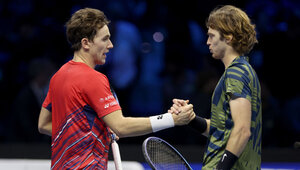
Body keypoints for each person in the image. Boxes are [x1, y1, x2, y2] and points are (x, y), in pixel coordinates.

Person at [38, 8, 195, 170]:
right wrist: (172, 119)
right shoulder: (93, 78)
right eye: (105, 39)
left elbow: (43, 125)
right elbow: (122, 126)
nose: (111, 45)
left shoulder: (58, 76)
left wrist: (93, 135)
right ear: (86, 43)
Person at [169, 5, 261, 170]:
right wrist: (191, 119)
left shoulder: (236, 73)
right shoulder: (241, 71)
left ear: (228, 38)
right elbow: (224, 131)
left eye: (212, 36)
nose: (207, 42)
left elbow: (242, 130)